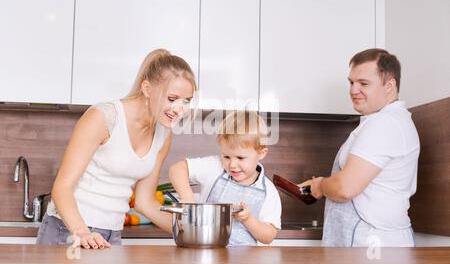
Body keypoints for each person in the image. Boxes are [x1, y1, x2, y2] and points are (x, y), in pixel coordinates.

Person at [36, 49, 196, 249]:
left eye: (186, 101)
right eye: (172, 99)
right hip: (69, 230)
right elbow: (62, 188)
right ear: (147, 89)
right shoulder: (104, 117)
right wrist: (82, 232)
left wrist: (191, 234)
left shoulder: (164, 135)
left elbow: (145, 201)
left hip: (111, 234)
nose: (179, 109)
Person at [300, 48, 420, 247]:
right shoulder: (386, 121)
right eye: (351, 82)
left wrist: (321, 185)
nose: (353, 90)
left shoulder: (385, 123)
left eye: (363, 83)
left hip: (373, 245)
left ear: (389, 85)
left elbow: (345, 188)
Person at [168, 111, 282, 245]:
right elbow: (177, 169)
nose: (232, 165)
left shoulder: (268, 191)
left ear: (261, 153)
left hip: (244, 262)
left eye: (240, 158)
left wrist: (248, 220)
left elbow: (268, 236)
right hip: (206, 254)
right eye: (226, 156)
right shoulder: (216, 167)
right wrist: (187, 198)